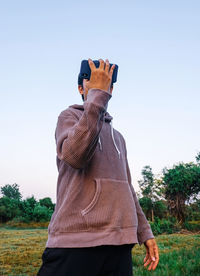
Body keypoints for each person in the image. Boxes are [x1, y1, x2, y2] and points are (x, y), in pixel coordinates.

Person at [37, 58, 159, 276]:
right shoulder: (68, 117)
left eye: (106, 84)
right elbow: (76, 156)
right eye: (93, 81)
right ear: (80, 88)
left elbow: (128, 188)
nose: (102, 87)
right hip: (75, 243)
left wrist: (145, 232)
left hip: (119, 244)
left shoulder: (118, 137)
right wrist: (97, 99)